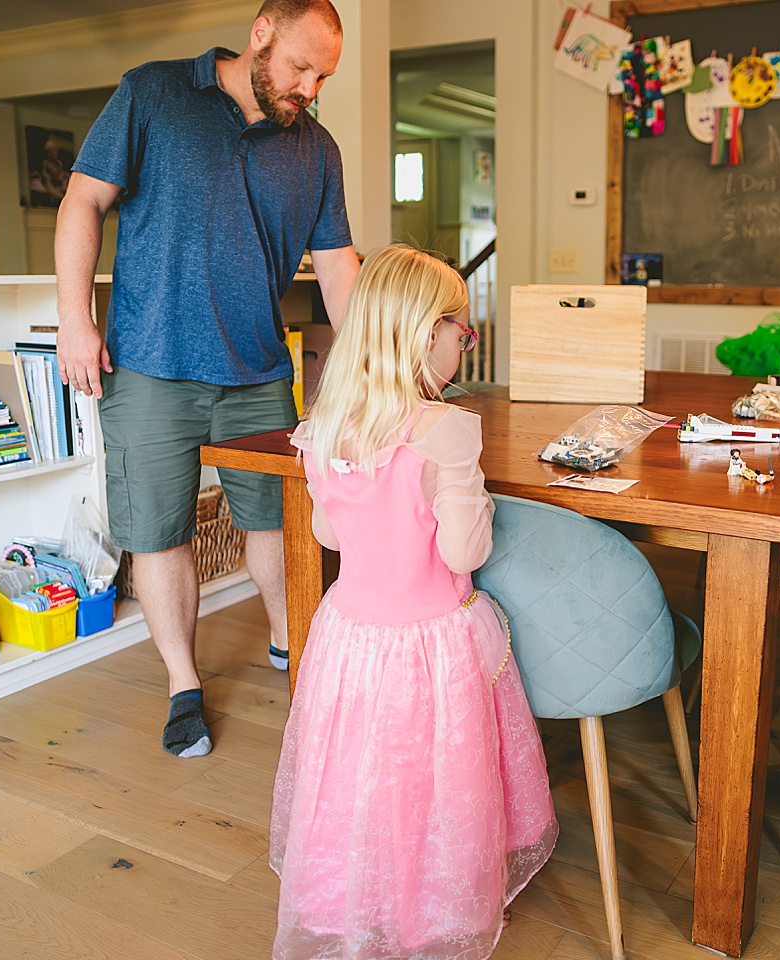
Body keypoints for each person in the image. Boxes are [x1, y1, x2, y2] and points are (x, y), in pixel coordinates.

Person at [54, 0, 362, 758]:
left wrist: (377, 362)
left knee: (277, 523)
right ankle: (182, 684)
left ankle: (295, 651)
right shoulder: (155, 94)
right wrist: (73, 318)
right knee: (162, 534)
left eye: (324, 75)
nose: (311, 87)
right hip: (150, 365)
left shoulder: (316, 149)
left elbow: (338, 269)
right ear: (261, 34)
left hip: (258, 368)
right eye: (300, 66)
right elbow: (83, 199)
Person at [271, 244, 557, 960]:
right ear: (426, 332)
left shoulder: (322, 429)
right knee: (440, 778)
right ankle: (434, 911)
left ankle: (352, 898)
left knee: (358, 774)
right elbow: (464, 554)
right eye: (462, 326)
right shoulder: (448, 430)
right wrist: (476, 497)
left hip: (349, 634)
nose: (467, 337)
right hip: (431, 639)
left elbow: (327, 529)